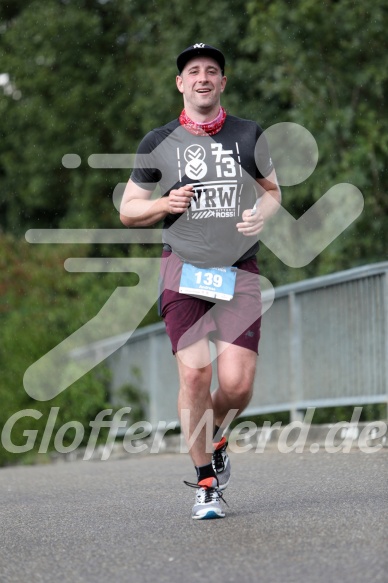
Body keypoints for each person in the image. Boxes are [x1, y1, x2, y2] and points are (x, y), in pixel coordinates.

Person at [120, 43, 281, 519]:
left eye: (212, 71)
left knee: (236, 385)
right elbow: (128, 209)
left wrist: (261, 214)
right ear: (180, 83)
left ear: (223, 82)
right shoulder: (158, 141)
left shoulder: (250, 135)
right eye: (194, 72)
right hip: (182, 270)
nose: (203, 78)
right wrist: (161, 206)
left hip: (238, 271)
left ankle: (217, 435)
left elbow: (274, 191)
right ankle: (206, 482)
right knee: (194, 373)